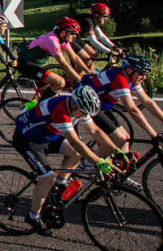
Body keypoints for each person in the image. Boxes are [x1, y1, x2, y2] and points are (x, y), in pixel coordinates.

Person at [12, 84, 119, 235]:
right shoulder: (61, 111)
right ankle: (33, 217)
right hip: (28, 140)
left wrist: (116, 150)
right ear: (75, 104)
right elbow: (76, 141)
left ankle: (60, 185)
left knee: (74, 154)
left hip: (47, 135)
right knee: (47, 178)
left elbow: (94, 130)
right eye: (83, 113)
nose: (83, 116)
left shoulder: (77, 106)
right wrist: (98, 161)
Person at [80, 54, 163, 167]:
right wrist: (153, 134)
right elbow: (132, 110)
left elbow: (148, 102)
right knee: (119, 139)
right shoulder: (120, 78)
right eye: (141, 74)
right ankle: (88, 163)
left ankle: (121, 175)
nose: (144, 78)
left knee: (126, 139)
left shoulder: (131, 78)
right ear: (129, 70)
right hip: (87, 107)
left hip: (101, 106)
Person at [17, 17, 85, 97]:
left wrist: (89, 73)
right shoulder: (52, 40)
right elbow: (63, 64)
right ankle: (40, 105)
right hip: (27, 64)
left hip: (36, 64)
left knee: (54, 96)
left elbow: (75, 57)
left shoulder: (62, 40)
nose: (75, 36)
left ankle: (42, 104)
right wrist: (79, 80)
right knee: (60, 82)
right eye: (73, 33)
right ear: (63, 32)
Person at [72, 3, 121, 69]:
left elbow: (101, 36)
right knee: (88, 60)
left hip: (74, 38)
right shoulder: (88, 21)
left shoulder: (93, 20)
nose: (106, 18)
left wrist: (114, 47)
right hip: (66, 38)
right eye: (104, 16)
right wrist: (109, 51)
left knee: (94, 55)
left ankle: (83, 75)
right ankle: (77, 78)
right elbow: (93, 41)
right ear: (96, 15)